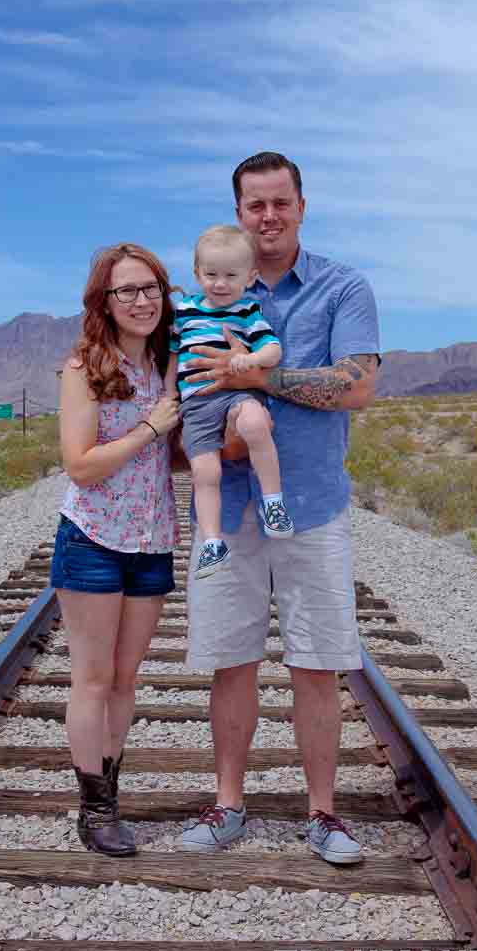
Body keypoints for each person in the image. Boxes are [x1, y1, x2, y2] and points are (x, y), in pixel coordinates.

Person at [179, 152, 380, 864]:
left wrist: (256, 377)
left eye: (279, 202)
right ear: (238, 212)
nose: (268, 216)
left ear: (301, 205)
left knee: (316, 665)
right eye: (254, 205)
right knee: (231, 662)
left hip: (312, 506)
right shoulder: (209, 290)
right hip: (229, 507)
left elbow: (355, 386)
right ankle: (228, 803)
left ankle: (322, 814)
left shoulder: (341, 288)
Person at [50, 243, 180, 857]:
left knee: (126, 680)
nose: (142, 300)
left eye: (151, 288)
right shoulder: (85, 367)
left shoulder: (169, 363)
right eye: (127, 290)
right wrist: (151, 427)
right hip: (94, 539)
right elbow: (80, 465)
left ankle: (111, 791)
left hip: (152, 541)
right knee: (94, 678)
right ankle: (95, 810)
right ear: (104, 301)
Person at [165, 224, 294, 580]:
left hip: (237, 394)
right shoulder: (184, 311)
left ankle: (273, 503)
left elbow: (273, 349)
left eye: (231, 276)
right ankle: (212, 542)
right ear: (197, 273)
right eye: (211, 275)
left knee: (254, 423)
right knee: (205, 473)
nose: (220, 284)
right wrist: (168, 393)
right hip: (196, 406)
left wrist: (250, 360)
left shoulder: (247, 311)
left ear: (250, 277)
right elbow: (174, 354)